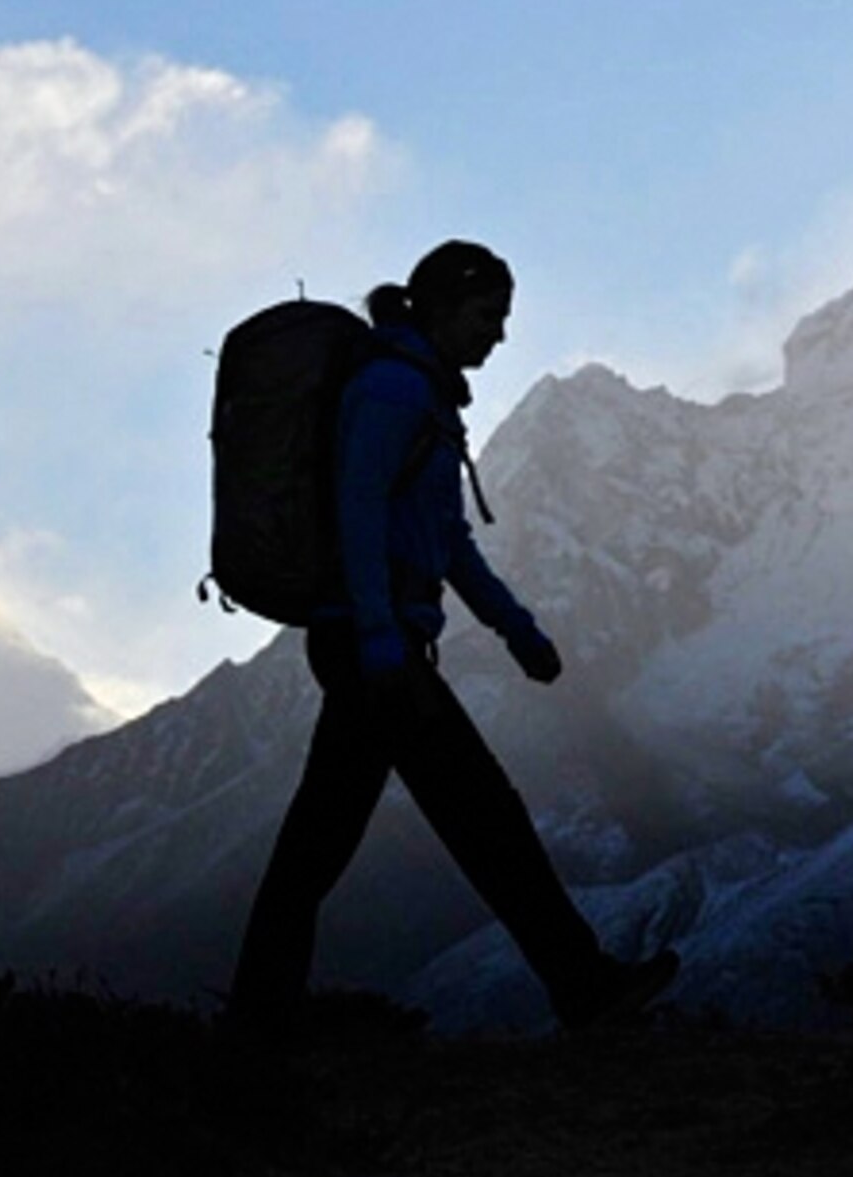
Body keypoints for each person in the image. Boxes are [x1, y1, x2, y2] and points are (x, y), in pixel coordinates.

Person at [228, 240, 678, 1035]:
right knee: (484, 819)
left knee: (322, 846)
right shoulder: (394, 392)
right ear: (440, 305)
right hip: (378, 650)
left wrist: (518, 630)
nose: (498, 335)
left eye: (503, 318)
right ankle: (583, 986)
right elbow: (359, 512)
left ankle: (254, 1024)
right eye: (487, 315)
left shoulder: (423, 397)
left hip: (380, 647)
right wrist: (379, 642)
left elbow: (448, 542)